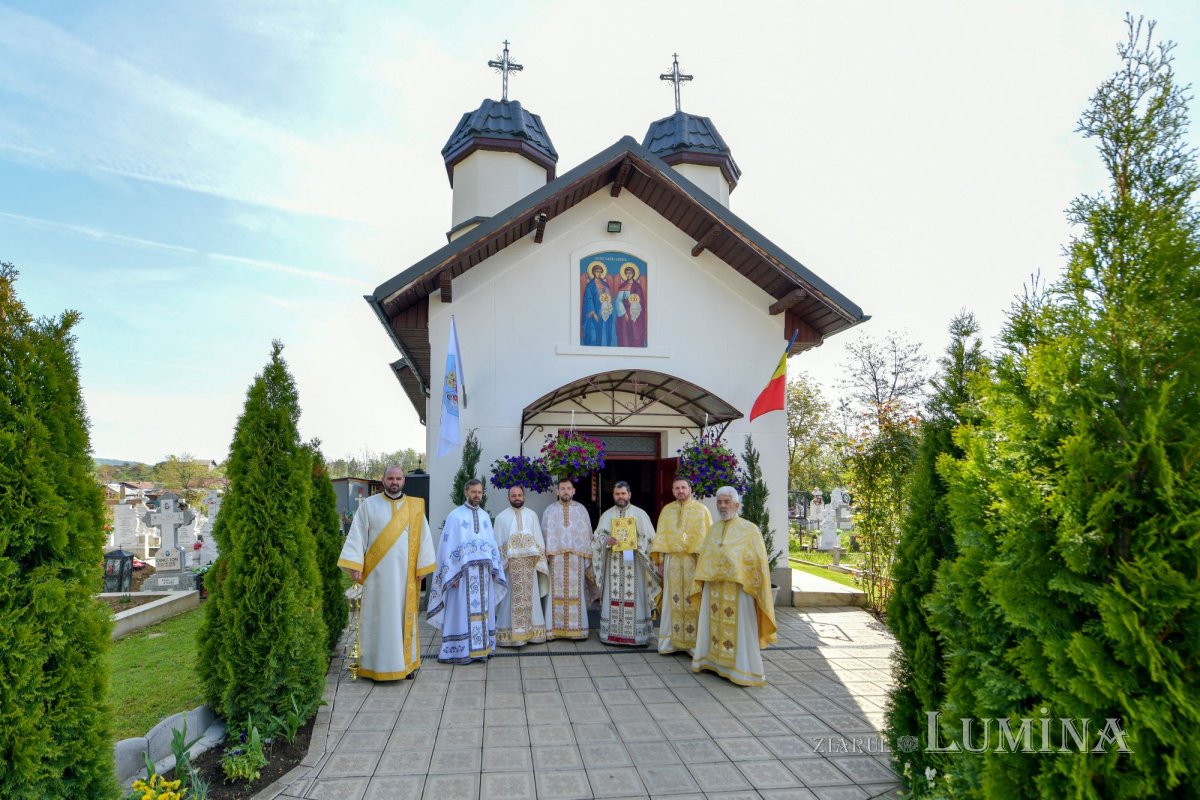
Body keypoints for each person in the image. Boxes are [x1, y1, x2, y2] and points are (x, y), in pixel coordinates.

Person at [337, 466, 436, 680]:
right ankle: (374, 666)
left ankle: (406, 665)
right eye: (390, 478)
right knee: (377, 619)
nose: (394, 482)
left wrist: (423, 567)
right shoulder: (369, 506)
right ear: (382, 480)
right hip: (377, 578)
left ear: (403, 481)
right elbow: (357, 535)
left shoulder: (415, 507)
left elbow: (424, 539)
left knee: (402, 619)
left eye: (398, 478)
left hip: (405, 577)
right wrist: (355, 565)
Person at [689, 486, 777, 686]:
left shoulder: (750, 529)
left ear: (737, 504)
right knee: (712, 627)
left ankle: (742, 670)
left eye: (727, 502)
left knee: (740, 630)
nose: (722, 506)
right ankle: (714, 664)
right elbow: (706, 556)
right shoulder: (713, 529)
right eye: (720, 502)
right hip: (714, 588)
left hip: (739, 590)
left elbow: (757, 563)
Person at [427, 479, 507, 664]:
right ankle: (458, 650)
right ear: (466, 492)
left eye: (480, 492)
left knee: (483, 612)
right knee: (461, 613)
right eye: (473, 492)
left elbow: (491, 543)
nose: (477, 495)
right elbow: (447, 547)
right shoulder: (455, 516)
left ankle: (482, 649)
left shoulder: (485, 517)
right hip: (461, 577)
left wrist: (495, 568)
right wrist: (449, 576)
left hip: (483, 575)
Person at [592, 481, 661, 645]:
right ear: (613, 495)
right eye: (617, 494)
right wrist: (606, 540)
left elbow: (652, 540)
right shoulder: (607, 515)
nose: (620, 497)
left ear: (629, 494)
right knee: (613, 597)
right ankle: (611, 634)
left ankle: (637, 636)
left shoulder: (640, 514)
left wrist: (637, 542)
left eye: (623, 493)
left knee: (635, 597)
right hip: (613, 565)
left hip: (634, 563)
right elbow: (596, 538)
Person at [650, 476, 712, 656]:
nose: (680, 491)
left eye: (683, 487)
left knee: (693, 599)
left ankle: (694, 646)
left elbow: (707, 538)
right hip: (672, 561)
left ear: (690, 489)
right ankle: (670, 643)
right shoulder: (667, 510)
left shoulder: (702, 511)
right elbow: (661, 537)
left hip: (694, 561)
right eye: (676, 488)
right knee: (672, 600)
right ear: (673, 491)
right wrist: (660, 562)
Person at [540, 477, 597, 640]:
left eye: (568, 488)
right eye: (562, 488)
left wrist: (586, 557)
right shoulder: (549, 511)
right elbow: (545, 535)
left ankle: (577, 630)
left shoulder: (581, 510)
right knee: (554, 593)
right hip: (556, 559)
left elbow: (587, 534)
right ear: (557, 491)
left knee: (576, 593)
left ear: (574, 491)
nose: (565, 491)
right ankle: (554, 630)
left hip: (576, 559)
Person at [493, 486, 550, 647]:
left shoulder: (532, 515)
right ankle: (509, 635)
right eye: (513, 495)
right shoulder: (501, 518)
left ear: (524, 496)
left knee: (531, 597)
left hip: (530, 567)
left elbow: (538, 540)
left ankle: (532, 633)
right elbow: (497, 543)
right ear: (508, 497)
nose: (517, 498)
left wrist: (540, 562)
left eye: (519, 495)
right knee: (509, 598)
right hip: (510, 567)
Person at [581, 261, 616, 346]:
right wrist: (593, 313)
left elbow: (609, 297)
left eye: (600, 272)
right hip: (595, 312)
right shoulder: (590, 286)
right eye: (597, 271)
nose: (599, 273)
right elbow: (588, 300)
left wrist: (609, 305)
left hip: (605, 312)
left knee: (605, 332)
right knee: (595, 334)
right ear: (593, 272)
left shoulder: (605, 284)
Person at [614, 263, 647, 347]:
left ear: (633, 274)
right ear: (625, 274)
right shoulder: (623, 286)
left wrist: (634, 312)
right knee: (624, 332)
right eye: (627, 273)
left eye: (630, 273)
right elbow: (618, 300)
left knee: (634, 330)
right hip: (624, 312)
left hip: (635, 311)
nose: (629, 275)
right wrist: (624, 313)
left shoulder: (637, 286)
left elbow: (640, 301)